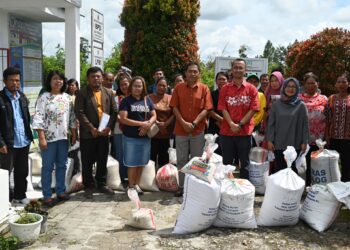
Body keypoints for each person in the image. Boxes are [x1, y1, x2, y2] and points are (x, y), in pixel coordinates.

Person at [32, 71, 77, 207]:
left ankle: (60, 191)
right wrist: (41, 137)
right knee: (47, 167)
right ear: (50, 81)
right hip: (48, 138)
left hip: (63, 138)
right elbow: (38, 117)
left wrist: (74, 134)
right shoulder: (44, 97)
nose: (58, 81)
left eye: (61, 79)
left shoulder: (67, 98)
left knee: (62, 165)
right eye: (55, 79)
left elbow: (72, 118)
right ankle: (46, 195)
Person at [170, 62, 213, 196]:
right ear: (186, 73)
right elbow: (174, 107)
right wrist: (183, 122)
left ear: (199, 73)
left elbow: (207, 109)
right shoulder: (178, 88)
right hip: (181, 129)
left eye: (195, 71)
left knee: (196, 160)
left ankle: (194, 188)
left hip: (197, 130)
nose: (192, 74)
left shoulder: (205, 89)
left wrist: (193, 123)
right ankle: (182, 186)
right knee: (181, 159)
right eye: (190, 71)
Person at [74, 67, 117, 199]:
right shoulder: (81, 93)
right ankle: (88, 185)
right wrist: (91, 128)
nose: (96, 78)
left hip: (104, 133)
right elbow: (79, 113)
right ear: (88, 78)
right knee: (86, 160)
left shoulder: (108, 92)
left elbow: (114, 111)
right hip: (88, 134)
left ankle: (102, 183)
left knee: (102, 159)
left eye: (98, 76)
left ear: (102, 78)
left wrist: (109, 128)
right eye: (93, 76)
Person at [218, 59, 260, 179]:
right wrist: (231, 124)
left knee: (245, 163)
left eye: (240, 68)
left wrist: (240, 124)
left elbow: (254, 109)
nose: (238, 70)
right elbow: (222, 107)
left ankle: (243, 190)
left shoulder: (251, 89)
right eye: (235, 67)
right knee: (226, 163)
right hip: (227, 131)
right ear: (232, 70)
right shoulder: (225, 89)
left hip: (245, 132)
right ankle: (226, 189)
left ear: (245, 70)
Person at [0, 67, 33, 205]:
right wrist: (1, 142)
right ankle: (5, 200)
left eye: (17, 80)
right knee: (5, 174)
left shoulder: (23, 97)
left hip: (23, 141)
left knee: (22, 172)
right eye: (12, 80)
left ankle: (20, 196)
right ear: (4, 81)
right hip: (8, 143)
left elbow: (25, 118)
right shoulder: (0, 99)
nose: (15, 83)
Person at [119, 76, 157, 195]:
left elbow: (154, 115)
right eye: (135, 85)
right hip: (130, 137)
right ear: (131, 87)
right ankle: (130, 187)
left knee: (141, 162)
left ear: (143, 87)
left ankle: (136, 185)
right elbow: (123, 119)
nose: (137, 88)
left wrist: (148, 125)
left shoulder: (147, 99)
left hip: (145, 138)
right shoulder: (126, 101)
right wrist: (142, 123)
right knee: (132, 163)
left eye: (139, 86)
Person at [267, 77, 309, 173]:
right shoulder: (276, 104)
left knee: (293, 171)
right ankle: (280, 189)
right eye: (288, 86)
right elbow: (271, 124)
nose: (290, 89)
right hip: (279, 144)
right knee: (280, 171)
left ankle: (293, 188)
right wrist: (270, 140)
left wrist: (304, 141)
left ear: (297, 89)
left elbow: (305, 125)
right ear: (284, 87)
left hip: (296, 143)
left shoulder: (301, 105)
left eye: (294, 87)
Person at [299, 72, 327, 186]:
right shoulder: (298, 99)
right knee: (303, 164)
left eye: (313, 83)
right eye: (308, 83)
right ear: (304, 85)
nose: (310, 85)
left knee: (316, 165)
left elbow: (329, 118)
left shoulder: (324, 99)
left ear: (318, 84)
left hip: (319, 139)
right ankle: (303, 187)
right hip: (302, 138)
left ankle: (316, 188)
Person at [325, 72, 350, 182]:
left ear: (348, 84)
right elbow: (328, 118)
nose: (341, 84)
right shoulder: (331, 98)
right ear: (335, 84)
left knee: (347, 165)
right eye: (339, 82)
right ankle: (334, 187)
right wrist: (326, 135)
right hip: (333, 137)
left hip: (348, 139)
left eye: (344, 82)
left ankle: (346, 189)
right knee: (333, 164)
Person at [149, 77, 174, 167]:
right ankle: (150, 180)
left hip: (166, 134)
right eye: (159, 85)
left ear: (167, 87)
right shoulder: (149, 98)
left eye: (164, 85)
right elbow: (147, 112)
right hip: (152, 133)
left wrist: (166, 124)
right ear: (155, 86)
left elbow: (174, 113)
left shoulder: (171, 98)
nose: (162, 87)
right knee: (151, 160)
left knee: (164, 161)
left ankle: (162, 180)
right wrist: (156, 123)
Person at [113, 75, 130, 183]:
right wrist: (119, 118)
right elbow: (112, 112)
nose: (124, 86)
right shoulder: (115, 98)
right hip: (118, 129)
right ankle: (122, 177)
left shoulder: (134, 97)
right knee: (120, 153)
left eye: (126, 84)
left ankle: (131, 176)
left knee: (130, 153)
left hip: (132, 129)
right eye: (121, 84)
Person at [207, 71, 229, 155]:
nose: (221, 81)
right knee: (213, 154)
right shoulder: (211, 94)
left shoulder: (231, 95)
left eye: (224, 79)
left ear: (228, 81)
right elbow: (210, 111)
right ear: (216, 81)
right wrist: (223, 120)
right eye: (219, 79)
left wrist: (227, 122)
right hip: (214, 127)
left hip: (229, 128)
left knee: (226, 153)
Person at [66, 78, 81, 176]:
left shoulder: (79, 96)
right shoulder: (65, 97)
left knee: (77, 148)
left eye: (73, 85)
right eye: (70, 85)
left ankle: (76, 169)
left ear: (77, 86)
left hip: (79, 125)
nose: (71, 87)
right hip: (69, 126)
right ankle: (70, 170)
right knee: (70, 147)